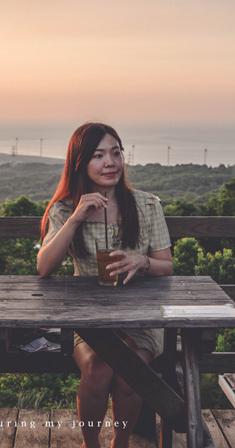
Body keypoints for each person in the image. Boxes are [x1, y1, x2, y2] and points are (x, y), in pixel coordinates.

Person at [37, 122, 173, 448]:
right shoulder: (65, 209)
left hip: (141, 317)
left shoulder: (147, 206)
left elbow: (167, 266)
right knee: (98, 369)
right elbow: (44, 268)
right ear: (80, 162)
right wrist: (75, 219)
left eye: (115, 153)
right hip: (87, 318)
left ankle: (121, 442)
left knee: (129, 372)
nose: (110, 162)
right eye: (98, 155)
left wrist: (142, 262)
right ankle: (91, 445)